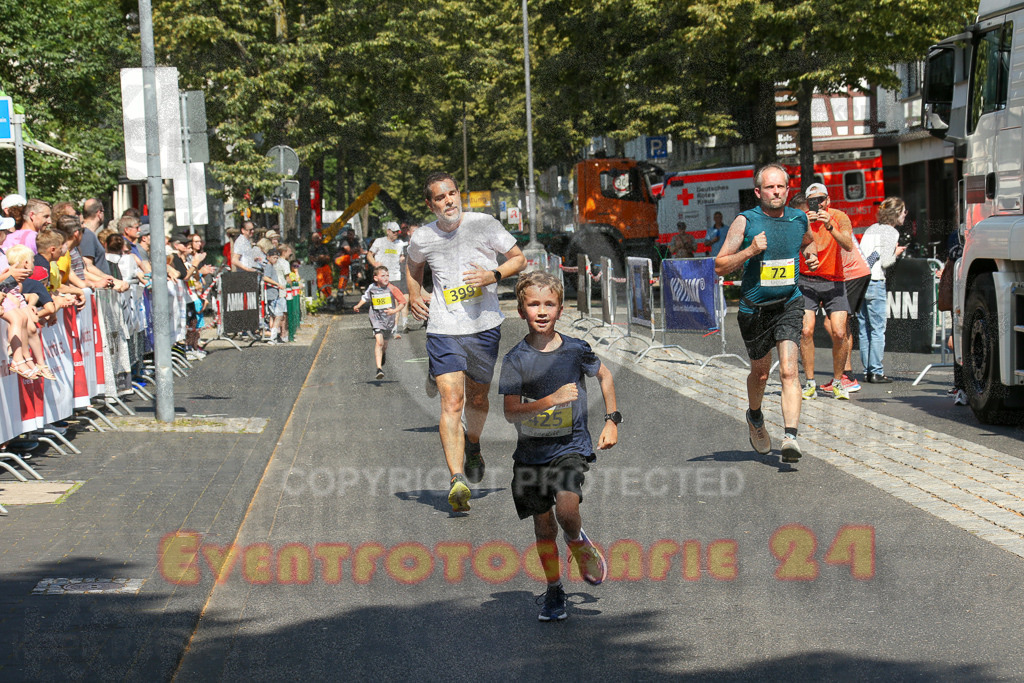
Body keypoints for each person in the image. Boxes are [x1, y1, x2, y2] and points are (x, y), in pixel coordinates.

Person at [499, 271, 618, 620]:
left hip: (570, 448)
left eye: (548, 304)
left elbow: (605, 375)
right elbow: (509, 413)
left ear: (560, 310)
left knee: (566, 511)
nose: (541, 310)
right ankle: (554, 590)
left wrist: (613, 419)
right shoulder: (515, 359)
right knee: (543, 527)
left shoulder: (575, 350)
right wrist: (549, 400)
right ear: (521, 311)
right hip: (531, 456)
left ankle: (578, 542)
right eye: (533, 304)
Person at [406, 171, 527, 511]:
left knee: (478, 396)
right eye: (441, 198)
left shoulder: (484, 224)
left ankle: (473, 444)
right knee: (452, 402)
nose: (449, 201)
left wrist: (493, 275)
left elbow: (519, 259)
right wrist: (415, 293)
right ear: (430, 204)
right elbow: (412, 264)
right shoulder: (423, 237)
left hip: (484, 326)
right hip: (444, 328)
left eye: (453, 194)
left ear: (459, 194)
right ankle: (456, 478)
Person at [715, 164, 819, 463]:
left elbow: (808, 242)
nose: (776, 192)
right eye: (770, 188)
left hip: (789, 303)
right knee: (761, 373)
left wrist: (810, 257)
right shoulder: (745, 221)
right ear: (759, 191)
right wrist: (749, 251)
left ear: (788, 189)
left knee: (788, 371)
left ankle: (790, 437)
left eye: (781, 187)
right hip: (754, 310)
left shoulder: (799, 218)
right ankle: (756, 416)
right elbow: (720, 265)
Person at [794, 183, 856, 401]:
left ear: (828, 200)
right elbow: (793, 244)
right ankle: (810, 383)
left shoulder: (839, 216)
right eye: (813, 200)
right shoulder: (802, 219)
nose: (818, 204)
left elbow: (848, 245)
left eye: (821, 200)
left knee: (839, 332)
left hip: (834, 281)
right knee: (806, 330)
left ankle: (839, 382)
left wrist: (830, 226)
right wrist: (807, 226)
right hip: (806, 280)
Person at [857, 198, 908, 384]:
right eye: (903, 211)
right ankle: (876, 371)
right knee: (878, 329)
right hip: (876, 281)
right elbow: (886, 262)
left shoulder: (871, 229)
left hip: (861, 282)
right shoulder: (891, 232)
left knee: (864, 329)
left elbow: (865, 256)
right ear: (895, 213)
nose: (905, 215)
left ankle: (867, 370)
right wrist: (896, 252)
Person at [353, 265, 407, 378]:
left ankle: (383, 354)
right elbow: (365, 297)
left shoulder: (392, 288)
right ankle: (379, 369)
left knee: (385, 344)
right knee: (379, 342)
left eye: (387, 275)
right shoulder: (372, 288)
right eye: (383, 276)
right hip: (376, 318)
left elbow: (402, 301)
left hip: (388, 320)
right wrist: (357, 305)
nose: (386, 278)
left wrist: (394, 311)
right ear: (376, 278)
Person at [368, 221, 409, 336]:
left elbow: (401, 255)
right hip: (381, 277)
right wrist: (374, 263)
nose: (396, 233)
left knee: (395, 303)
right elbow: (369, 254)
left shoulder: (399, 243)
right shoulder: (379, 242)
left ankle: (393, 327)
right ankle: (377, 325)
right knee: (380, 302)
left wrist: (401, 258)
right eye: (394, 231)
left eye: (397, 232)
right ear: (388, 231)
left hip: (395, 275)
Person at [261, 248, 288, 344]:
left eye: (277, 258)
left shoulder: (272, 266)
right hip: (271, 294)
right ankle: (273, 336)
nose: (275, 260)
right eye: (273, 257)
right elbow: (265, 278)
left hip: (274, 293)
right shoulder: (269, 267)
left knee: (273, 316)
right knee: (278, 315)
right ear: (268, 257)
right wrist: (277, 284)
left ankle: (274, 336)